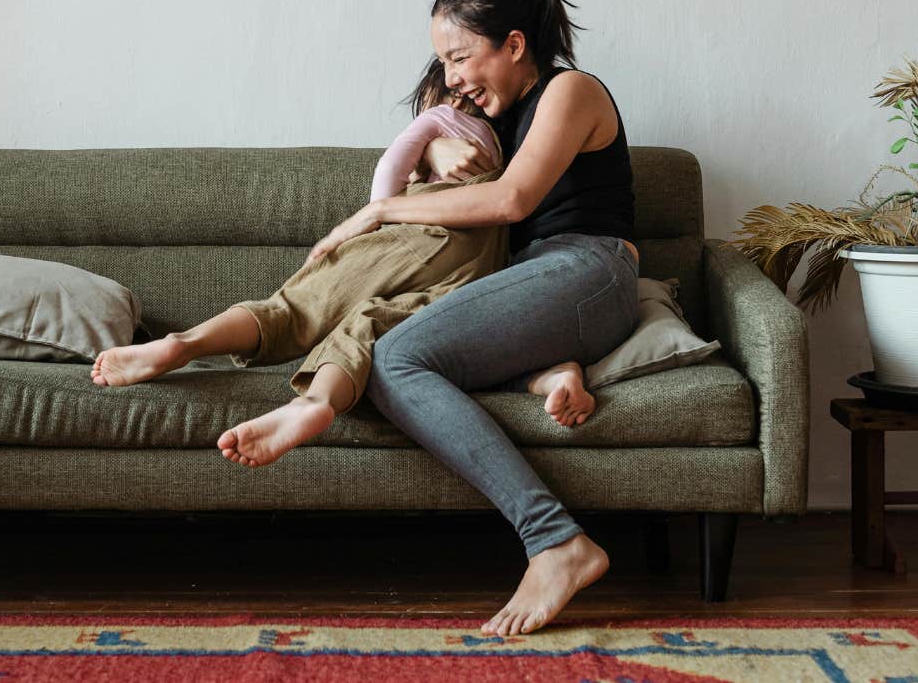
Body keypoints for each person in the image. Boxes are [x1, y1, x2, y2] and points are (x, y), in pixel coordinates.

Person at [306, 0, 641, 637]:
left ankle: (557, 541)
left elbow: (512, 199)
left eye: (461, 56)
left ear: (514, 45)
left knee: (396, 358)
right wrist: (434, 153)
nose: (453, 75)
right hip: (529, 281)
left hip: (589, 267)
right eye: (444, 61)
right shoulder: (493, 115)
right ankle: (549, 367)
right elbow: (436, 142)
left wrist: (379, 214)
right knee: (396, 344)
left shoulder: (570, 91)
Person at [88, 59, 599, 469]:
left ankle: (186, 343)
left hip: (424, 233)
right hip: (480, 265)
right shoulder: (511, 138)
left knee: (292, 309)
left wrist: (381, 212)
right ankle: (315, 404)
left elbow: (391, 166)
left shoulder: (439, 120)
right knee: (372, 325)